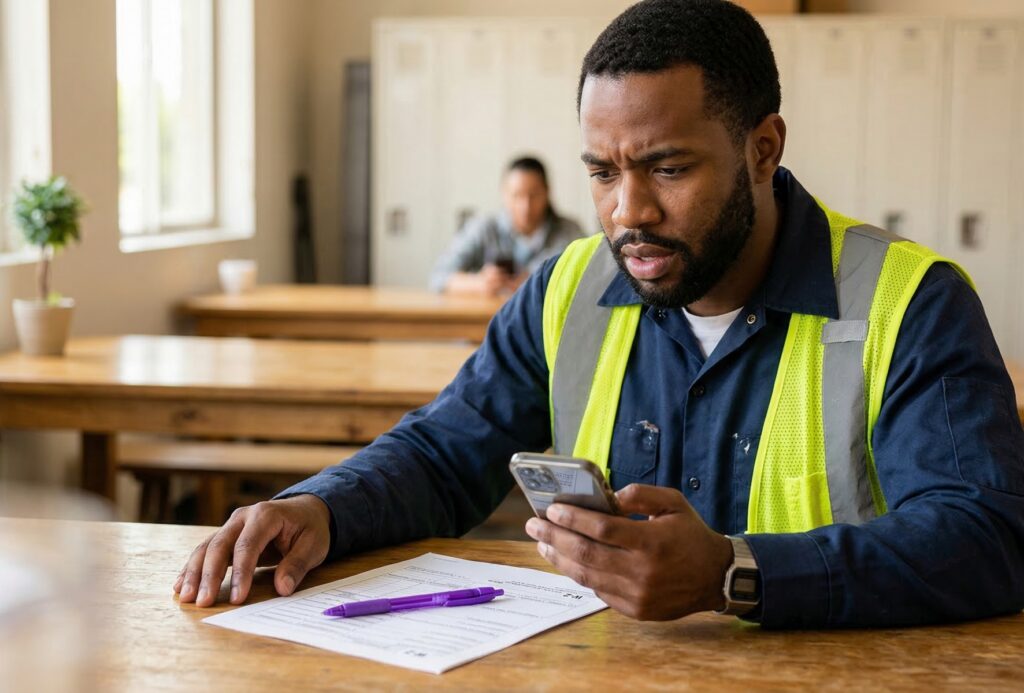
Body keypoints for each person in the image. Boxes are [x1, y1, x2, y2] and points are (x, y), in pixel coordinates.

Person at [175, 0, 1024, 628]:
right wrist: (320, 509)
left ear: (763, 149)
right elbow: (443, 453)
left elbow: (984, 539)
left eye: (666, 168)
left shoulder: (910, 302)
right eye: (603, 172)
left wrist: (735, 570)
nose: (628, 212)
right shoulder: (567, 287)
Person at [429, 156, 584, 295]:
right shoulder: (483, 229)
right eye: (517, 195)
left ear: (547, 192)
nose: (526, 206)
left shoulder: (570, 233)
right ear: (504, 194)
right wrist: (479, 283)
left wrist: (539, 284)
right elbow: (439, 276)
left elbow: (589, 281)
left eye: (534, 195)